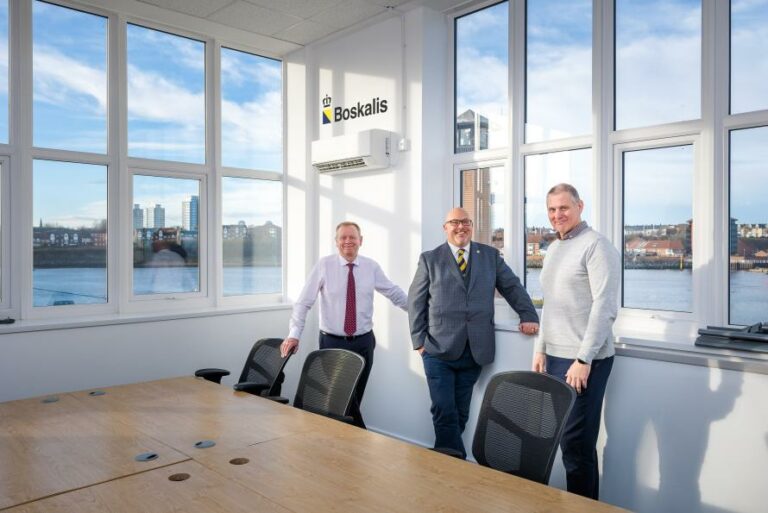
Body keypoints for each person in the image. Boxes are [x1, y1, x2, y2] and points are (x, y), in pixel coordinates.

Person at [408, 207, 539, 458]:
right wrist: (419, 342)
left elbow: (512, 286)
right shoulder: (430, 259)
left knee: (460, 412)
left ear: (471, 225)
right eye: (454, 222)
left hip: (475, 350)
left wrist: (529, 315)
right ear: (445, 228)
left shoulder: (490, 256)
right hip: (437, 349)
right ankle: (452, 463)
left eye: (466, 222)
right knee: (443, 409)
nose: (461, 227)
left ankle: (445, 460)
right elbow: (416, 301)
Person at [532, 183, 620, 500]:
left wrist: (583, 360)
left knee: (577, 445)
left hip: (584, 360)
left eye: (564, 208)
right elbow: (550, 303)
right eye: (552, 209)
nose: (557, 215)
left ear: (579, 206)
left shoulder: (597, 246)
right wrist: (540, 347)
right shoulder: (554, 248)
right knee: (561, 440)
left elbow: (605, 307)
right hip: (555, 357)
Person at [281, 222, 407, 428]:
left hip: (364, 343)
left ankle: (344, 441)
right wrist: (294, 334)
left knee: (353, 399)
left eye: (352, 237)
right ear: (336, 242)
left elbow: (393, 292)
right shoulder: (324, 265)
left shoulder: (371, 267)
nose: (348, 241)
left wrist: (421, 311)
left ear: (360, 241)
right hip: (332, 343)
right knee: (342, 401)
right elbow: (303, 302)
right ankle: (361, 439)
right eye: (343, 237)